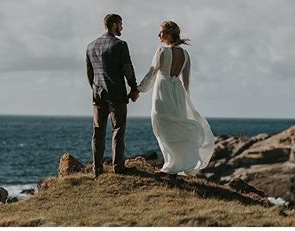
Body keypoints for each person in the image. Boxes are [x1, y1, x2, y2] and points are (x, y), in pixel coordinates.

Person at [137, 20, 215, 175]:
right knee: (176, 127)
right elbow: (186, 82)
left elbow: (151, 74)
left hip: (163, 90)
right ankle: (175, 164)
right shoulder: (185, 54)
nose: (158, 34)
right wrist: (185, 101)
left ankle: (170, 165)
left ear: (169, 34)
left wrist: (139, 89)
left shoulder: (162, 51)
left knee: (161, 124)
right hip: (178, 92)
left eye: (161, 32)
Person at [86, 13, 139, 175]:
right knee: (118, 129)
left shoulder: (91, 46)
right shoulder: (120, 45)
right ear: (114, 24)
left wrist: (94, 88)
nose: (122, 27)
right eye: (121, 24)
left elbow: (90, 72)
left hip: (97, 94)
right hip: (116, 94)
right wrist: (134, 88)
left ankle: (97, 169)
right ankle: (118, 167)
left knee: (98, 132)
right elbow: (127, 69)